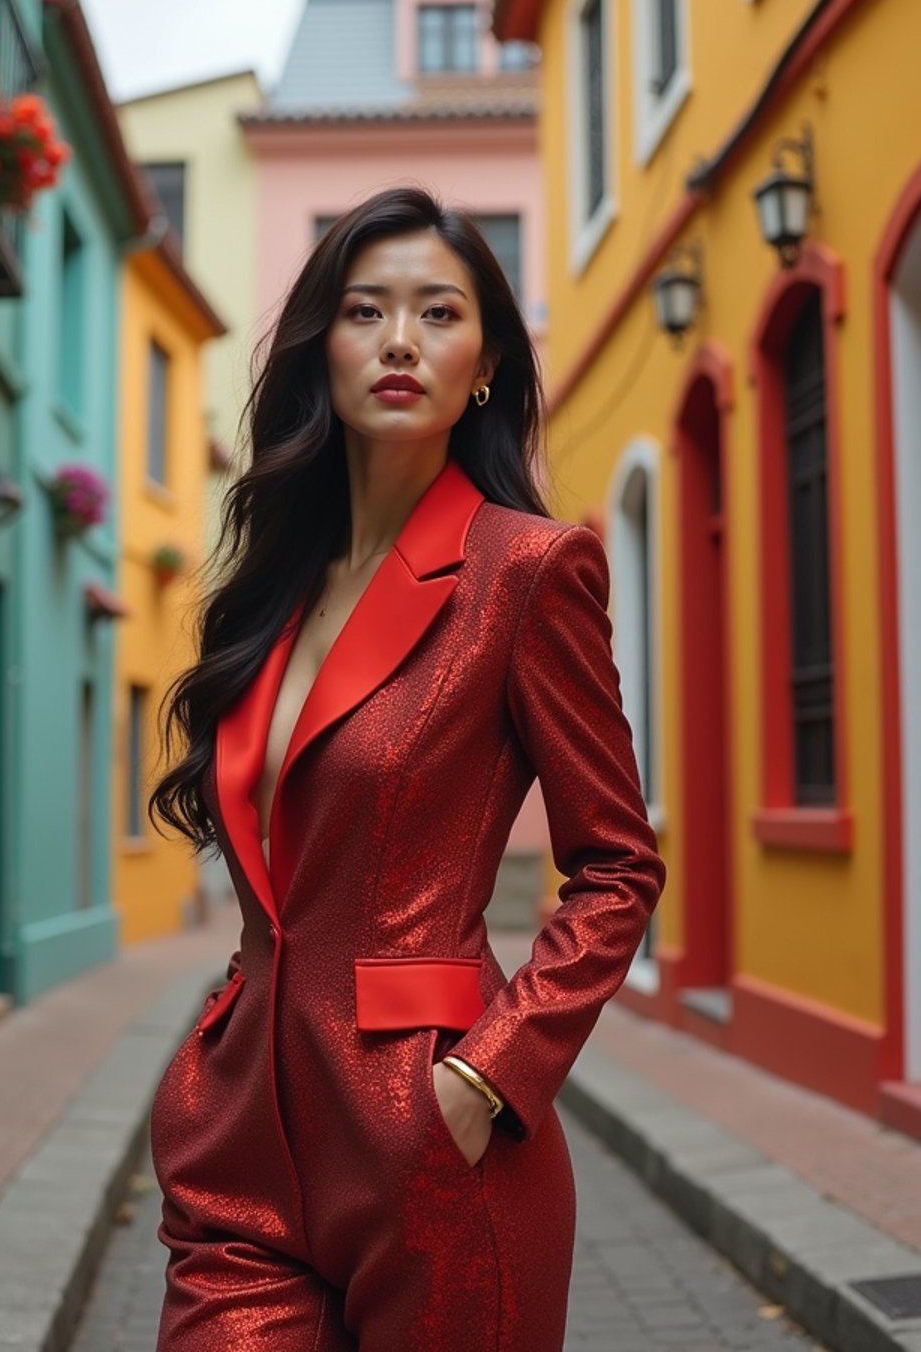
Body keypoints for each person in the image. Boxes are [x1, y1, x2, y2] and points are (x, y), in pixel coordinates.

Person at [148, 186, 666, 1351]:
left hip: (430, 1139)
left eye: (437, 313)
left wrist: (487, 1081)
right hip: (240, 1149)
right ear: (318, 350)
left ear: (482, 363)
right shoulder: (269, 591)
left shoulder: (527, 573)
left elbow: (615, 866)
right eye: (363, 311)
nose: (397, 340)